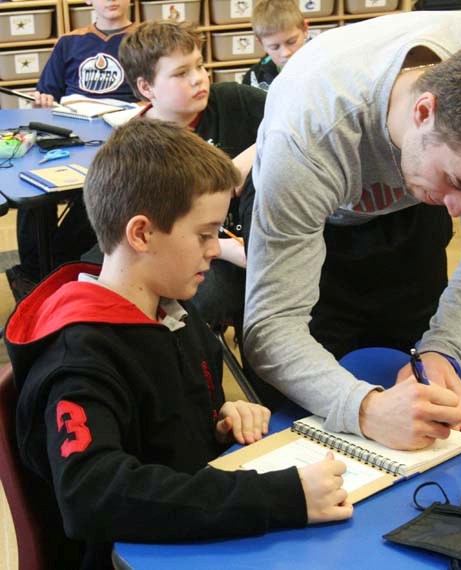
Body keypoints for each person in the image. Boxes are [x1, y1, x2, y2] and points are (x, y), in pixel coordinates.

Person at [4, 120, 352, 570]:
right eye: (205, 234)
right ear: (142, 234)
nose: (215, 249)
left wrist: (220, 419)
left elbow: (161, 433)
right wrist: (278, 498)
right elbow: (91, 493)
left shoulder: (172, 314)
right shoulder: (80, 358)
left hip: (199, 538)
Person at [244, 11, 461, 450]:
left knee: (417, 372)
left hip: (410, 204)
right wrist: (366, 409)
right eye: (458, 185)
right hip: (317, 223)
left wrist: (443, 350)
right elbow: (272, 327)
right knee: (306, 411)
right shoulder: (310, 132)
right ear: (423, 111)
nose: (458, 213)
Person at [118, 20, 265, 334]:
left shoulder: (233, 100)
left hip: (261, 243)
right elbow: (155, 236)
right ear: (146, 88)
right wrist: (230, 251)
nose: (199, 78)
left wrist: (250, 156)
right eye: (181, 73)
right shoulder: (138, 147)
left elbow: (293, 117)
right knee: (208, 302)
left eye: (199, 65)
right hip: (200, 259)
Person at [7, 0, 139, 301]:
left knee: (97, 189)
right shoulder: (69, 43)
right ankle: (34, 274)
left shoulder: (143, 39)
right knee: (30, 186)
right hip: (72, 139)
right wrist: (42, 104)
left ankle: (55, 271)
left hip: (123, 143)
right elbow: (47, 96)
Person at [242, 0, 308, 91]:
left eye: (292, 42)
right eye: (274, 47)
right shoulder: (253, 78)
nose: (286, 53)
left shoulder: (324, 67)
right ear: (261, 43)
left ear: (305, 29)